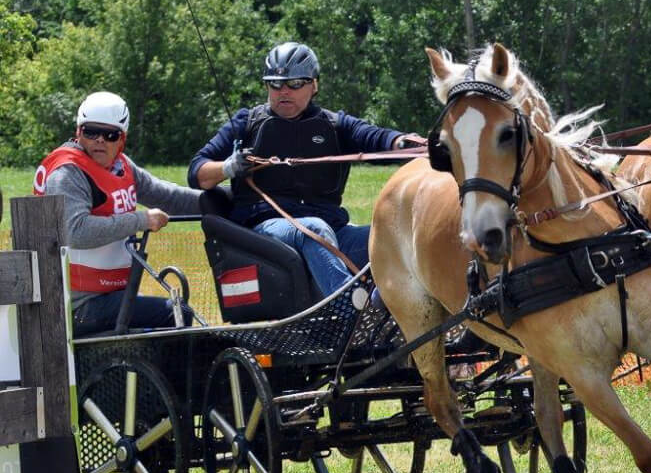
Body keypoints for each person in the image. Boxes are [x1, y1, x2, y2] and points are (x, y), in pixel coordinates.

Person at [188, 41, 418, 297]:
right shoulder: (246, 122)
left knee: (398, 235)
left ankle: (393, 315)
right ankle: (346, 310)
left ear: (314, 84)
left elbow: (375, 138)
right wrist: (229, 166)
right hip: (267, 234)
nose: (283, 91)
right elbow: (197, 172)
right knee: (313, 229)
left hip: (333, 232)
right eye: (275, 83)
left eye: (295, 83)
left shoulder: (333, 124)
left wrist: (406, 143)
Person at [34, 91, 202, 336]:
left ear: (121, 139)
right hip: (74, 307)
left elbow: (168, 196)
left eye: (110, 135)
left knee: (172, 314)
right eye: (92, 131)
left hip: (110, 296)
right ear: (79, 131)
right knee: (176, 313)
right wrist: (141, 220)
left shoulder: (121, 166)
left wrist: (221, 200)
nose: (100, 140)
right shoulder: (67, 173)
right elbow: (75, 232)